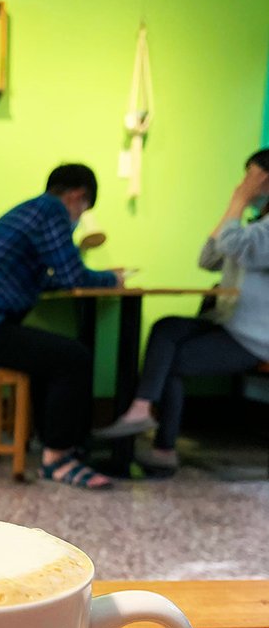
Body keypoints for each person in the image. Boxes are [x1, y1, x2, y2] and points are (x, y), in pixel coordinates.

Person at [0, 164, 125, 489]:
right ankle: (59, 459)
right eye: (83, 209)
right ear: (78, 196)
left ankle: (56, 444)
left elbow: (46, 278)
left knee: (50, 359)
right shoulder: (51, 210)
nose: (79, 218)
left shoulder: (32, 211)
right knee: (73, 357)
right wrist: (113, 278)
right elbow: (72, 275)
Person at [94, 150, 269, 472]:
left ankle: (162, 448)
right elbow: (207, 259)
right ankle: (142, 408)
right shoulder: (254, 226)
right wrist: (234, 209)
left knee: (170, 361)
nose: (242, 185)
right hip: (228, 323)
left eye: (250, 178)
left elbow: (236, 247)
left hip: (254, 338)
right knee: (167, 327)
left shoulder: (260, 231)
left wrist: (238, 202)